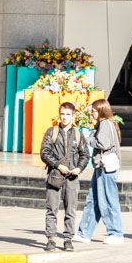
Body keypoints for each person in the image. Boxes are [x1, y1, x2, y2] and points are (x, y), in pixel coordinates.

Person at [39, 102, 90, 252]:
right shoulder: (52, 131)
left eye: (68, 114)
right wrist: (57, 165)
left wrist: (79, 168)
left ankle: (68, 239)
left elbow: (85, 154)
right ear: (59, 115)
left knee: (70, 210)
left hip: (72, 179)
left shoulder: (78, 134)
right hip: (55, 176)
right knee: (51, 209)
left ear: (73, 116)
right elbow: (44, 152)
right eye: (62, 114)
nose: (65, 117)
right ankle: (51, 239)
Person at [74, 98, 124, 245]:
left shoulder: (104, 124)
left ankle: (116, 233)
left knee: (108, 200)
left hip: (105, 168)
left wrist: (87, 139)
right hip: (101, 167)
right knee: (93, 200)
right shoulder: (107, 123)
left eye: (93, 111)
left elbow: (103, 143)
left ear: (101, 111)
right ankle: (84, 233)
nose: (91, 114)